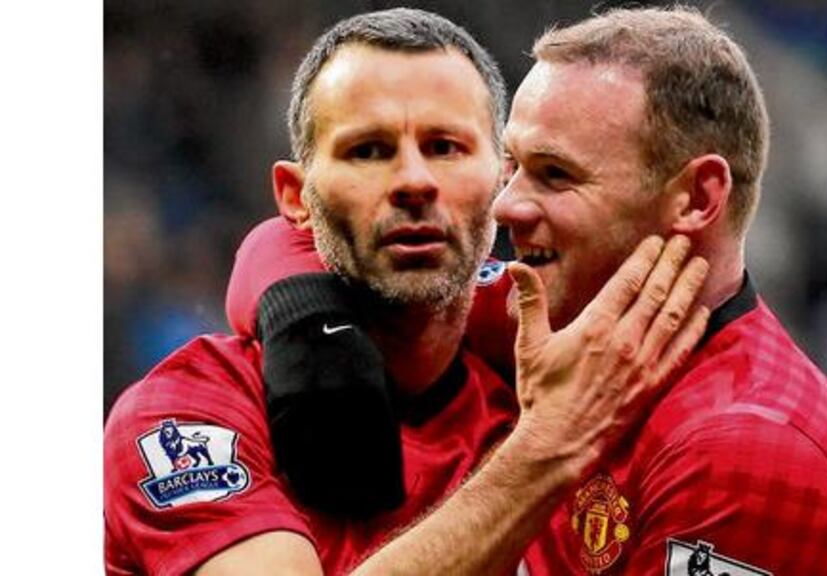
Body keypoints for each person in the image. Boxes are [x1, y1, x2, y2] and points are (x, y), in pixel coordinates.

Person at [224, 6, 827, 576]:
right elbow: (317, 241)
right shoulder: (555, 315)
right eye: (515, 164)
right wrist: (307, 323)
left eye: (555, 175)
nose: (506, 207)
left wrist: (545, 448)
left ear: (697, 197)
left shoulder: (746, 449)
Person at [103, 8, 710, 575]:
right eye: (368, 151)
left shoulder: (552, 365)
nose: (414, 181)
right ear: (295, 198)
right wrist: (547, 450)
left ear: (502, 182)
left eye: (445, 147)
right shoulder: (186, 417)